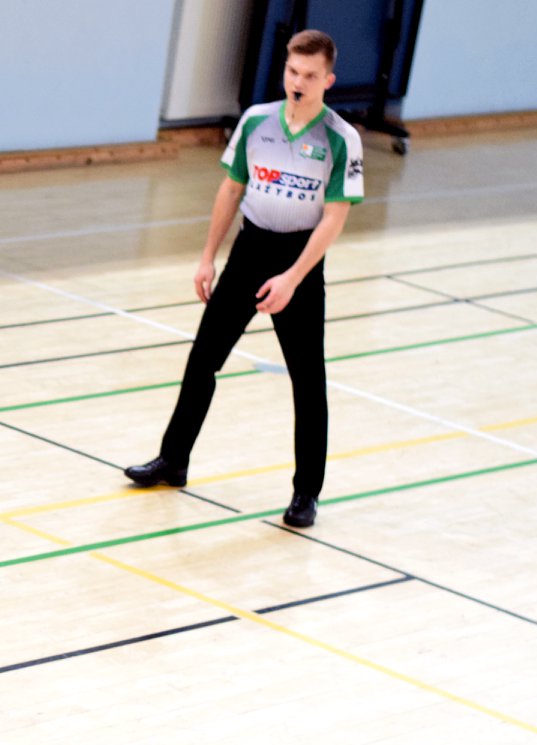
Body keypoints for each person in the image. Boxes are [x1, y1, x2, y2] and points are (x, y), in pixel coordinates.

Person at [125, 29, 363, 529]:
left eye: (310, 75)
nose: (298, 82)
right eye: (292, 71)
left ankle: (306, 493)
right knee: (203, 360)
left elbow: (334, 218)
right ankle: (173, 460)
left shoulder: (341, 138)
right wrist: (207, 257)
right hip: (249, 250)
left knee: (308, 381)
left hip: (299, 261)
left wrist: (292, 279)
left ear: (328, 80)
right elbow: (231, 190)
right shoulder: (256, 121)